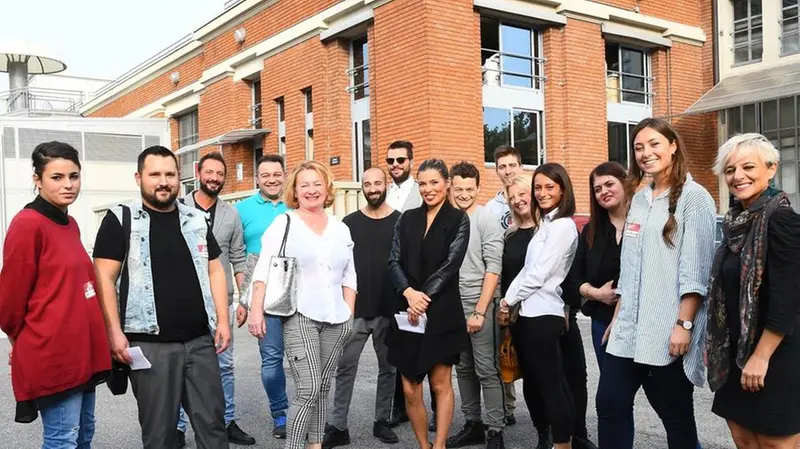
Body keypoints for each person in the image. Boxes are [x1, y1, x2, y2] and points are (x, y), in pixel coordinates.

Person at [93, 145, 232, 449]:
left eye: (170, 174)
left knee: (213, 426)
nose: (163, 181)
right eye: (154, 174)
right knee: (160, 435)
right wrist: (114, 332)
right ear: (139, 177)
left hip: (199, 342)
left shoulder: (195, 219)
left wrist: (223, 320)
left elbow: (215, 270)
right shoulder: (120, 220)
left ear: (179, 177)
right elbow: (104, 277)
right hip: (149, 346)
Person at [597, 118, 716, 449]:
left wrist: (684, 323)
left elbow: (698, 268)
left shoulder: (695, 197)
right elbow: (630, 265)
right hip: (628, 331)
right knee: (609, 404)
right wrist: (619, 315)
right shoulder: (639, 198)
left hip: (667, 331)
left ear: (673, 146)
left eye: (653, 144)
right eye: (638, 147)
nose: (645, 153)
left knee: (675, 417)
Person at [0, 142, 110, 448]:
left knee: (84, 433)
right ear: (37, 179)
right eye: (57, 177)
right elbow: (9, 299)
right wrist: (21, 339)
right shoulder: (27, 224)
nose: (68, 185)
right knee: (63, 439)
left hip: (82, 351)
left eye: (74, 176)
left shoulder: (70, 223)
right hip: (54, 353)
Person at [247, 160, 357, 449]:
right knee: (307, 389)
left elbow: (350, 275)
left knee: (322, 388)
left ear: (327, 188)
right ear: (294, 190)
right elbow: (263, 270)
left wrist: (349, 314)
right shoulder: (284, 223)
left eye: (317, 183)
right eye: (304, 184)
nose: (311, 190)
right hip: (299, 316)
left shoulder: (340, 228)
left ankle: (315, 444)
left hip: (336, 318)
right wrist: (256, 310)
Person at [707, 134, 800, 449]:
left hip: (774, 357)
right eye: (730, 170)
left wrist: (760, 358)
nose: (738, 176)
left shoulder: (782, 220)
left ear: (771, 169)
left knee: (776, 443)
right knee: (745, 440)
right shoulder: (734, 222)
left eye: (748, 167)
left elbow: (789, 300)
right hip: (737, 353)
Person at [387, 158, 470, 449]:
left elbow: (450, 265)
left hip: (442, 310)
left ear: (447, 183)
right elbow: (393, 260)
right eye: (422, 183)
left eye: (434, 182)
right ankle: (424, 445)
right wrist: (409, 293)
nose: (428, 189)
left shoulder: (459, 220)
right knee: (410, 386)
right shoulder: (406, 218)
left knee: (440, 383)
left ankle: (440, 444)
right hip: (407, 310)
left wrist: (423, 298)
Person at [497, 163, 579, 449]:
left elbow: (538, 273)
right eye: (538, 188)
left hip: (543, 314)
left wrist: (507, 300)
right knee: (546, 383)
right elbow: (528, 269)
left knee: (552, 386)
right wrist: (510, 297)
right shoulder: (547, 223)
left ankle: (562, 444)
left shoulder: (562, 225)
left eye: (549, 187)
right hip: (531, 314)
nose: (542, 193)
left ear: (563, 190)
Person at [176, 152, 254, 446]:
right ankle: (179, 427)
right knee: (180, 367)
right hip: (184, 302)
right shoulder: (177, 206)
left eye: (219, 174)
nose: (214, 178)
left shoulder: (230, 214)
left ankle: (227, 420)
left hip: (221, 302)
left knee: (224, 365)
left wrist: (243, 300)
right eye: (209, 172)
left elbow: (237, 258)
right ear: (198, 173)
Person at [323, 167, 401, 448]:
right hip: (353, 310)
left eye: (377, 183)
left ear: (386, 185)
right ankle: (338, 426)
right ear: (362, 188)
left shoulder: (400, 222)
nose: (372, 188)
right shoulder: (348, 223)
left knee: (388, 370)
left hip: (388, 309)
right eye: (367, 184)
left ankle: (382, 421)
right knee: (344, 369)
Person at [445, 162, 506, 449]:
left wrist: (480, 311)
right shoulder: (446, 219)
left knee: (486, 368)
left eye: (470, 189)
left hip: (478, 302)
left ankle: (495, 429)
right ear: (450, 188)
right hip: (451, 305)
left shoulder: (486, 219)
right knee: (464, 368)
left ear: (478, 189)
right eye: (459, 189)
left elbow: (493, 268)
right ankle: (473, 424)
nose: (464, 194)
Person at [235, 154, 290, 439]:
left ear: (284, 175)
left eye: (276, 174)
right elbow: (236, 256)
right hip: (263, 296)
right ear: (257, 178)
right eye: (265, 175)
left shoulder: (296, 204)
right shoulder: (242, 210)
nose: (271, 179)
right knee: (271, 360)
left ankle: (305, 413)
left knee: (301, 359)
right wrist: (244, 300)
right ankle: (280, 414)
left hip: (297, 294)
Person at [565, 162, 630, 369]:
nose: (604, 192)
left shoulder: (645, 223)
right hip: (602, 321)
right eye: (597, 189)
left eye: (609, 184)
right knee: (611, 393)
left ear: (625, 183)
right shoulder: (591, 232)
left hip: (641, 321)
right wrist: (596, 293)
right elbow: (574, 278)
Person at [484, 145, 523, 425]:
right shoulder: (492, 207)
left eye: (512, 165)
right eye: (502, 167)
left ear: (520, 166)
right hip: (503, 290)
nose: (507, 171)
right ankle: (508, 408)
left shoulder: (533, 195)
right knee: (504, 350)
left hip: (531, 290)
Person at [386, 140, 423, 212]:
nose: (395, 164)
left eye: (400, 160)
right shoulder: (383, 194)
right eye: (390, 160)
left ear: (411, 163)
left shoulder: (422, 192)